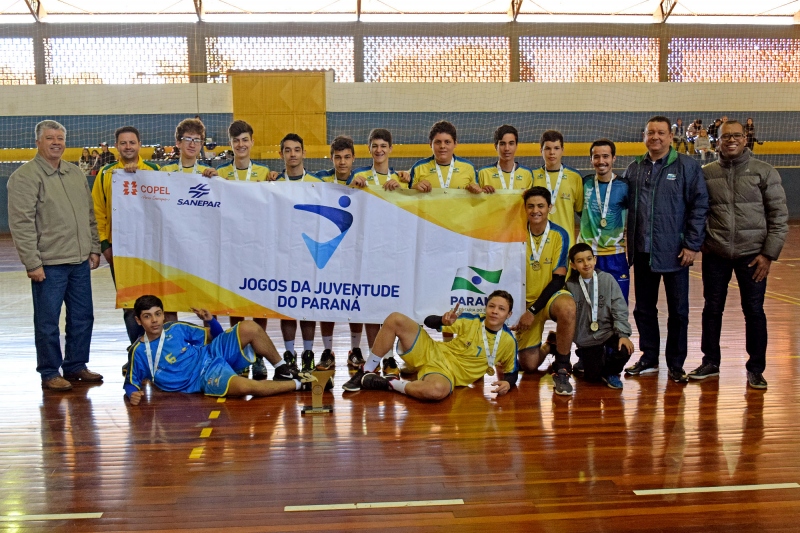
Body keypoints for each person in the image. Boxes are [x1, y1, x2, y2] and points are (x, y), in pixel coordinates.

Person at [7, 120, 103, 391]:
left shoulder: (74, 174)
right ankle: (49, 371)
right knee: (48, 321)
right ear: (38, 141)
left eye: (60, 137)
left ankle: (75, 366)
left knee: (83, 317)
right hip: (48, 265)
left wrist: (94, 248)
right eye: (50, 138)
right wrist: (32, 262)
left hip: (80, 261)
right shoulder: (24, 178)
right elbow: (21, 224)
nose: (56, 142)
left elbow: (89, 215)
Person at [694, 120, 788, 390]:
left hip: (753, 256)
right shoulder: (706, 172)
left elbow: (779, 217)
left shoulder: (765, 172)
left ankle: (756, 368)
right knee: (712, 309)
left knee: (754, 311)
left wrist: (768, 254)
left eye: (736, 135)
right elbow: (698, 211)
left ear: (746, 139)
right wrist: (701, 242)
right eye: (726, 137)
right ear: (717, 141)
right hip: (716, 254)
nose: (731, 140)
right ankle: (710, 362)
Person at [623, 115, 708, 383]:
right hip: (643, 251)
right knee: (644, 309)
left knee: (678, 312)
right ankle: (649, 358)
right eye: (651, 133)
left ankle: (675, 363)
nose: (655, 137)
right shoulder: (634, 168)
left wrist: (692, 245)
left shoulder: (687, 167)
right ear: (644, 136)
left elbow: (700, 206)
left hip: (676, 253)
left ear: (671, 137)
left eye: (661, 133)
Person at [124, 295, 315, 405]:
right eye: (148, 316)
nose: (154, 320)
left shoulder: (175, 328)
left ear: (164, 315)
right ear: (139, 321)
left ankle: (282, 368)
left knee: (249, 326)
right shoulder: (139, 351)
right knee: (245, 387)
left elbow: (215, 336)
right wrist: (132, 393)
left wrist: (211, 321)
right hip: (204, 377)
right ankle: (300, 384)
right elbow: (130, 383)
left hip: (209, 354)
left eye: (158, 314)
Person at [342, 291, 518, 401]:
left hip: (446, 374)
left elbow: (512, 372)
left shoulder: (508, 342)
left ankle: (389, 383)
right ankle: (366, 371)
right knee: (396, 318)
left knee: (436, 391)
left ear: (509, 314)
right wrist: (442, 320)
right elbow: (428, 322)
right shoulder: (471, 320)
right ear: (485, 308)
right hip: (431, 351)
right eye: (491, 306)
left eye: (501, 309)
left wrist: (508, 384)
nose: (495, 311)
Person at [347, 128, 409, 375]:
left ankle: (391, 356)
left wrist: (407, 185)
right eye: (375, 146)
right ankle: (375, 355)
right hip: (367, 252)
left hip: (395, 252)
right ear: (369, 148)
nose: (379, 150)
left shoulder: (401, 179)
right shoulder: (360, 177)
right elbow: (346, 203)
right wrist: (354, 187)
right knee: (373, 305)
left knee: (392, 305)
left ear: (391, 149)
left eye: (384, 145)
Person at [91, 126, 159, 345]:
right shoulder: (106, 173)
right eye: (123, 143)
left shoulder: (155, 169)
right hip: (120, 251)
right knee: (131, 305)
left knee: (157, 303)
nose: (128, 146)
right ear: (116, 146)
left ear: (140, 144)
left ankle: (159, 352)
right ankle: (137, 352)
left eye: (132, 142)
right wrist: (104, 245)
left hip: (151, 251)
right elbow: (98, 212)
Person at [215, 120, 272, 378]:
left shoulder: (264, 172)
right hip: (231, 248)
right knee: (235, 305)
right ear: (231, 144)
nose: (241, 145)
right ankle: (240, 357)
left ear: (252, 142)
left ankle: (259, 356)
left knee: (258, 305)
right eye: (236, 141)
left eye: (245, 140)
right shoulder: (219, 174)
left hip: (258, 248)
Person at [513, 186, 577, 396]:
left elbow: (558, 280)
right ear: (524, 208)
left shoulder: (560, 234)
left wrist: (532, 311)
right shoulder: (516, 233)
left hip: (550, 297)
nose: (535, 210)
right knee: (530, 366)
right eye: (530, 206)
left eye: (540, 206)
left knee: (567, 308)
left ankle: (562, 366)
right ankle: (550, 345)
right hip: (524, 302)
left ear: (549, 207)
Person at [273, 133, 322, 373]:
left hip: (310, 253)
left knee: (309, 305)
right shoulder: (272, 185)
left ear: (303, 153)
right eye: (288, 150)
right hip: (284, 253)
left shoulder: (317, 183)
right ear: (281, 154)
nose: (292, 154)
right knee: (288, 305)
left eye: (296, 150)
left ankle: (309, 353)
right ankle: (290, 353)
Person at [566, 243, 634, 389]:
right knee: (592, 378)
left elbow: (619, 308)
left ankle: (610, 373)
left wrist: (623, 334)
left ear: (595, 260)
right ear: (572, 265)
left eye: (589, 259)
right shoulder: (570, 286)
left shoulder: (607, 279)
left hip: (607, 332)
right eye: (580, 261)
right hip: (587, 337)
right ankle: (585, 356)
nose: (586, 264)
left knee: (625, 349)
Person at [577, 138, 630, 302]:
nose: (601, 161)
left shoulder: (625, 186)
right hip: (588, 256)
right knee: (588, 307)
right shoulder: (584, 183)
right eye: (596, 157)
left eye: (605, 156)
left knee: (618, 306)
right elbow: (579, 210)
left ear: (613, 158)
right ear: (591, 159)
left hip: (616, 255)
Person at [531, 130, 584, 246]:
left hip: (565, 244)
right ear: (541, 151)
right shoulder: (532, 176)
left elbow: (581, 213)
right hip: (538, 244)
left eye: (556, 148)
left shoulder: (575, 177)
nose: (552, 153)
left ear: (562, 150)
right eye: (547, 148)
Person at [408, 121, 477, 192]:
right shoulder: (418, 168)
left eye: (447, 142)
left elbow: (480, 196)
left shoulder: (469, 167)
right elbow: (405, 196)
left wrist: (477, 190)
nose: (442, 146)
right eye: (438, 142)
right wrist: (414, 189)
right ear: (431, 144)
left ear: (455, 144)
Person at [476, 125, 533, 193]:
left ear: (516, 146)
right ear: (495, 146)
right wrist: (481, 192)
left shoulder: (527, 173)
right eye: (502, 144)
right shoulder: (483, 173)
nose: (507, 148)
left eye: (511, 143)